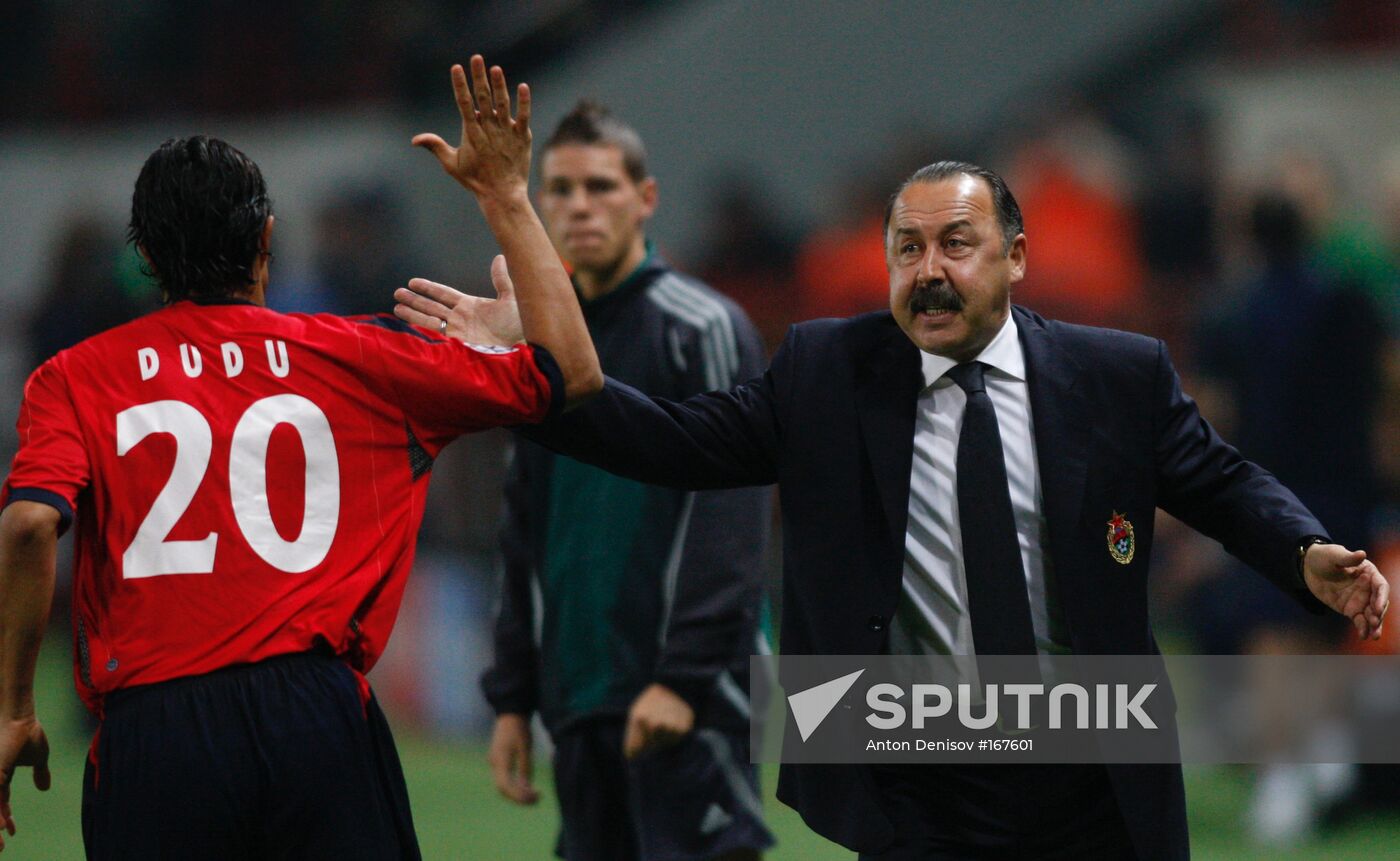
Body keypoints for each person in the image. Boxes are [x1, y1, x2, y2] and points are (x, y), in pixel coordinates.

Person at [396, 159, 1389, 860]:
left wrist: (1301, 553)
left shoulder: (1113, 374)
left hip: (1085, 773)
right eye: (905, 247)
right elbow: (674, 442)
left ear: (1014, 257)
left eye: (956, 244)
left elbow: (1214, 480)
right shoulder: (829, 370)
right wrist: (530, 369)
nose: (927, 269)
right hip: (918, 778)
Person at [0, 55, 601, 859]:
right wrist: (506, 197)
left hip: (154, 731)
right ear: (266, 241)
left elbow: (32, 523)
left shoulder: (72, 378)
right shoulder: (359, 355)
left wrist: (13, 710)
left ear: (145, 255)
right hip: (314, 715)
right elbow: (574, 373)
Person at [401, 100, 774, 861]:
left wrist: (688, 676)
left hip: (683, 699)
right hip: (580, 696)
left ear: (645, 199)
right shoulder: (542, 341)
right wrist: (512, 696)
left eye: (599, 187)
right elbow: (523, 518)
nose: (578, 206)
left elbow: (732, 512)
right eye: (560, 190)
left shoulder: (701, 326)